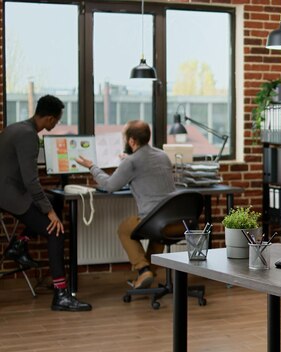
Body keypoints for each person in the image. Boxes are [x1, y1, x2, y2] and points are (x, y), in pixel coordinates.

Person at [0, 95, 92, 312]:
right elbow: (30, 181)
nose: (56, 124)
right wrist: (50, 214)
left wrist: (49, 207)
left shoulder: (16, 128)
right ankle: (61, 294)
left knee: (54, 199)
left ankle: (20, 244)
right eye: (57, 121)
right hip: (8, 194)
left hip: (7, 189)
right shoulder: (29, 136)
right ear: (50, 119)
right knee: (56, 231)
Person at [75, 120, 175, 289]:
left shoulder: (131, 162)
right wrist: (128, 160)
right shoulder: (162, 156)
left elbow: (109, 186)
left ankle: (143, 270)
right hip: (173, 220)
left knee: (124, 229)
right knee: (159, 233)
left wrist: (92, 166)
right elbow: (145, 167)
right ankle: (147, 273)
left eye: (124, 137)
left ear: (131, 141)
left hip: (153, 221)